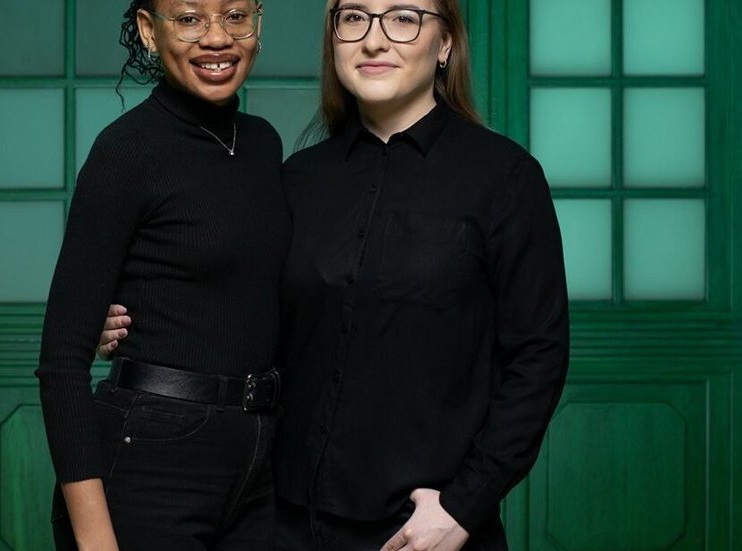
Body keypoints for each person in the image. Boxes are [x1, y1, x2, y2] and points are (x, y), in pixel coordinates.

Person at [98, 0, 569, 550]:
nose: (374, 39)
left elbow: (538, 355)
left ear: (445, 44)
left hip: (424, 527)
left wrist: (463, 506)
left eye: (403, 17)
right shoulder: (296, 179)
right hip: (283, 523)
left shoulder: (505, 178)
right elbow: (240, 306)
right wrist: (137, 321)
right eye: (354, 17)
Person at [36, 1, 290, 550]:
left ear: (258, 23)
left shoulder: (264, 144)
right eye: (190, 18)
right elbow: (60, 362)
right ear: (150, 31)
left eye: (236, 15)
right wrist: (95, 541)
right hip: (150, 457)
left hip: (258, 458)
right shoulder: (126, 150)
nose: (217, 38)